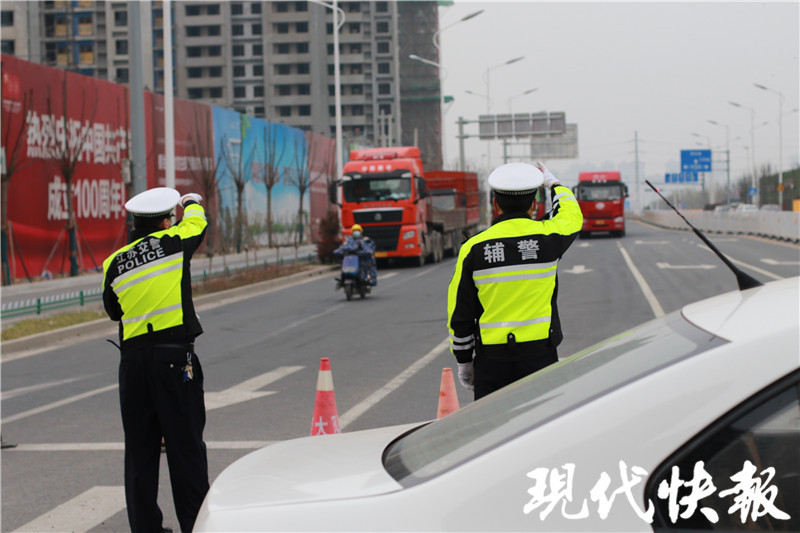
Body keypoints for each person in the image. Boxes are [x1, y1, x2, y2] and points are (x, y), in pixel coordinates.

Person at [102, 187, 210, 533]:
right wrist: (190, 201)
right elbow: (197, 223)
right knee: (185, 449)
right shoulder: (175, 240)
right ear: (166, 220)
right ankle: (195, 525)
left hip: (132, 367)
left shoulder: (114, 262)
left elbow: (113, 310)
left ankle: (145, 529)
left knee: (140, 452)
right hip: (174, 362)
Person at [447, 161, 583, 400]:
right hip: (540, 356)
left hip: (492, 362)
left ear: (495, 204)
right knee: (542, 425)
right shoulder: (549, 238)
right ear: (533, 205)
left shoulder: (473, 248)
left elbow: (460, 311)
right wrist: (554, 183)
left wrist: (464, 361)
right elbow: (571, 214)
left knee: (494, 430)